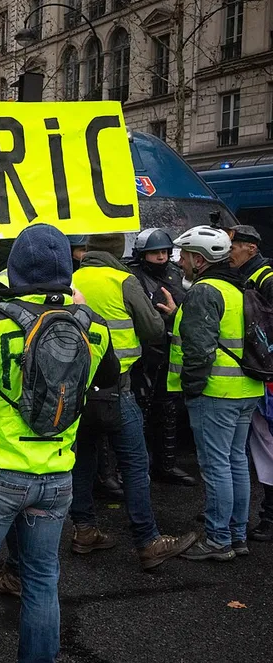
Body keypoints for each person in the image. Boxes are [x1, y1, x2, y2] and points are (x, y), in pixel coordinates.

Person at [0, 224, 120, 662]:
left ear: (15, 269)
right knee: (43, 578)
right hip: (58, 475)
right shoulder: (93, 327)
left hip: (1, 471)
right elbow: (108, 386)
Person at [70, 233, 196, 570]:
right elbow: (154, 330)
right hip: (118, 387)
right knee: (135, 463)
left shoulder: (70, 280)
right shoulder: (123, 280)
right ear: (118, 251)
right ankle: (148, 540)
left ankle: (84, 531)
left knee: (83, 460)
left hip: (79, 390)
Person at [169, 226, 263, 560]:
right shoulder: (238, 287)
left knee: (216, 466)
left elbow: (198, 350)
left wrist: (191, 389)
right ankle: (237, 536)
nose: (179, 262)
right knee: (236, 460)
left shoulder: (204, 291)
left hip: (216, 393)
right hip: (246, 388)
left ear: (199, 258)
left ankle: (218, 540)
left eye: (183, 255)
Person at [129, 228, 197, 486]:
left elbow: (187, 303)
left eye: (164, 251)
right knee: (143, 410)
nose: (161, 256)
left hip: (171, 349)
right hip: (145, 352)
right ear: (142, 254)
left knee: (169, 408)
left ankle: (166, 464)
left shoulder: (176, 273)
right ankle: (140, 468)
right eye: (155, 252)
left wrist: (175, 314)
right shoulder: (133, 276)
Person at [228, 225, 273, 542]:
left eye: (234, 247)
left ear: (251, 249)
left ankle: (269, 517)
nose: (229, 252)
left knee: (268, 447)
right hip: (258, 375)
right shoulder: (248, 275)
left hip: (266, 377)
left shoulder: (265, 279)